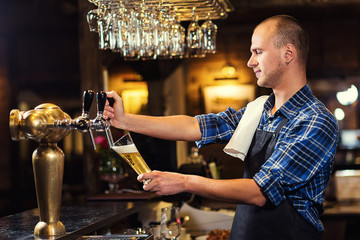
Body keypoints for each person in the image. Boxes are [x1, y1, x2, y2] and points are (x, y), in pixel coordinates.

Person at [104, 15, 339, 240]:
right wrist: (125, 121)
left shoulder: (315, 120)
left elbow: (260, 192)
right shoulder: (258, 110)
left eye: (258, 52)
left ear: (288, 53)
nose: (250, 62)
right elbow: (194, 126)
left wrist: (184, 182)